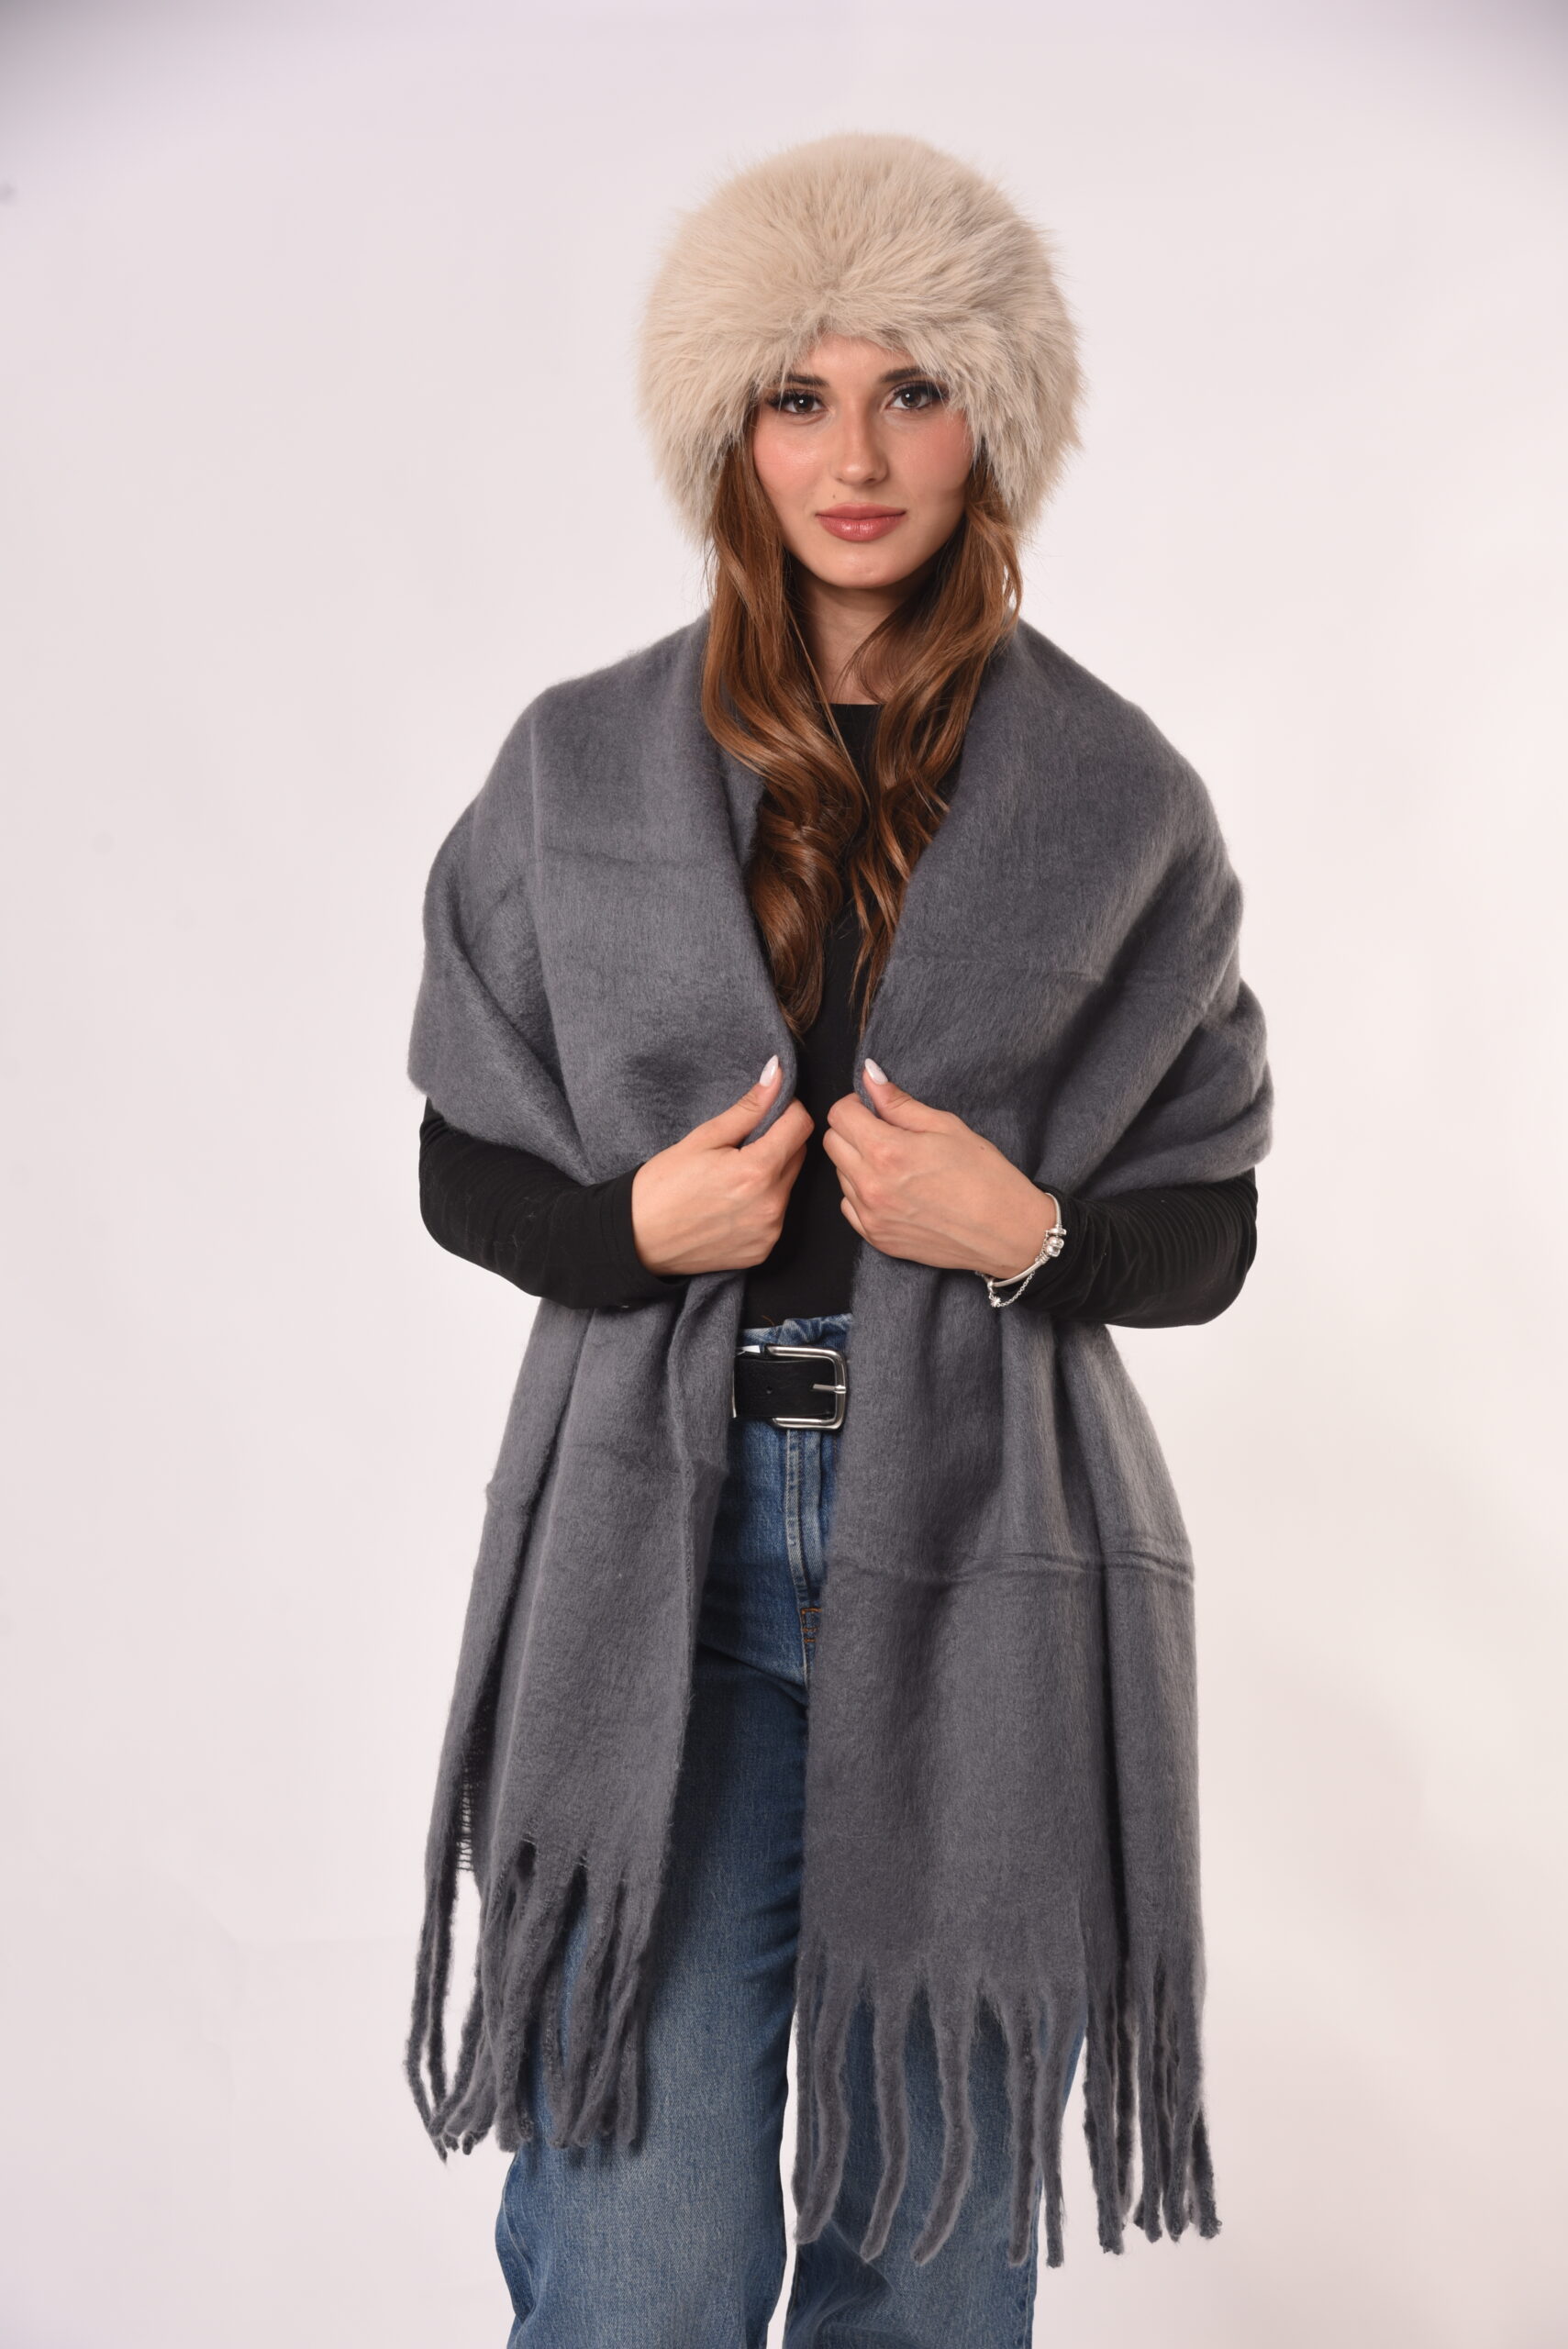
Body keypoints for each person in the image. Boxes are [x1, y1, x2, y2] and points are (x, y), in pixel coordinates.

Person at [405, 133, 1272, 2348]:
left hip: (990, 1557)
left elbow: (1212, 1221)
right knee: (641, 2259)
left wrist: (1030, 1230)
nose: (857, 457)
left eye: (915, 392)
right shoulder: (581, 766)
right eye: (800, 396)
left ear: (997, 422)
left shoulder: (1119, 795)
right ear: (732, 428)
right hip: (664, 1557)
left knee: (935, 2259)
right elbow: (459, 1154)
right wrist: (630, 1223)